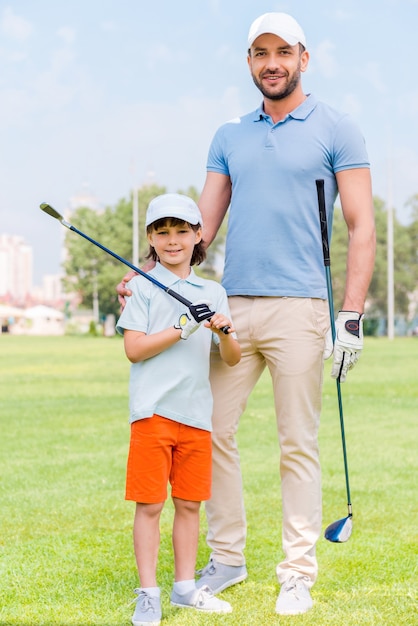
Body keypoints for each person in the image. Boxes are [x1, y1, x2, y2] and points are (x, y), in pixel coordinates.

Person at [117, 12, 376, 616]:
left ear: (303, 58)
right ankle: (228, 556)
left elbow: (361, 226)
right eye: (260, 53)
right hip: (229, 307)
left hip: (302, 307)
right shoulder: (229, 135)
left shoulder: (338, 128)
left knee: (296, 443)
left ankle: (297, 573)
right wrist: (145, 269)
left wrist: (352, 314)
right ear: (250, 61)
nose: (271, 63)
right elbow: (198, 229)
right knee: (214, 433)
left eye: (282, 52)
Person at [116, 193, 241, 625]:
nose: (172, 241)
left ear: (198, 235)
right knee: (149, 506)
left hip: (196, 417)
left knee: (190, 505)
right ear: (150, 237)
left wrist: (224, 332)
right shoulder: (141, 286)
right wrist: (182, 327)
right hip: (152, 413)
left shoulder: (214, 291)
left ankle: (185, 588)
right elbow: (134, 350)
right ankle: (148, 593)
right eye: (162, 232)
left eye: (182, 231)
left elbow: (231, 359)